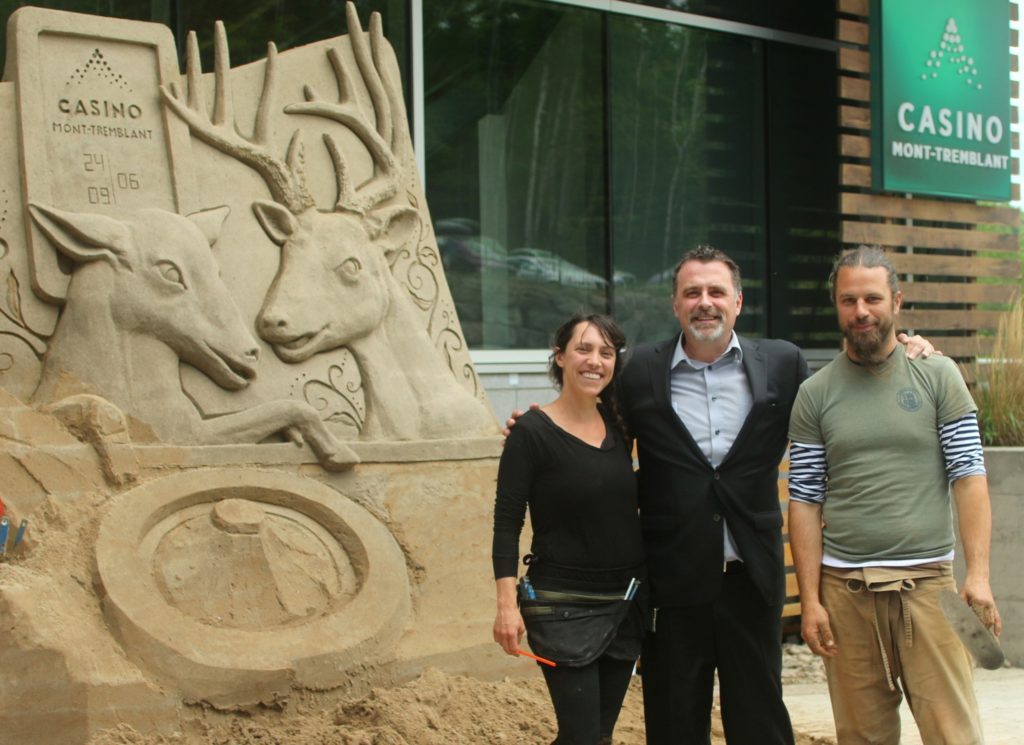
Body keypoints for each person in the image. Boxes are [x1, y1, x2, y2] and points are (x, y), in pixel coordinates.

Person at [505, 246, 934, 745]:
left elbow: (845, 396)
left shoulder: (782, 362)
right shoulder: (640, 368)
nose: (704, 302)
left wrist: (909, 352)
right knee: (674, 720)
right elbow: (592, 430)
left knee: (759, 721)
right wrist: (536, 425)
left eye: (716, 292)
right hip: (670, 581)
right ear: (675, 305)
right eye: (692, 292)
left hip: (751, 577)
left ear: (738, 301)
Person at [787, 245, 1000, 745]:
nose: (861, 311)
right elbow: (804, 499)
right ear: (836, 306)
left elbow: (970, 475)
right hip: (847, 593)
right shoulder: (815, 393)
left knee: (954, 734)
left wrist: (981, 576)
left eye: (872, 299)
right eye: (848, 300)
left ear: (896, 301)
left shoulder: (938, 375)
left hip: (930, 589)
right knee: (862, 736)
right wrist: (812, 600)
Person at [492, 312, 646, 745]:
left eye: (606, 352)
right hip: (561, 605)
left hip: (625, 600)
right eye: (583, 348)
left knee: (599, 735)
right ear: (559, 357)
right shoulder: (531, 432)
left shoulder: (621, 426)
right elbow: (507, 522)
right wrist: (506, 606)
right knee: (579, 736)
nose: (594, 360)